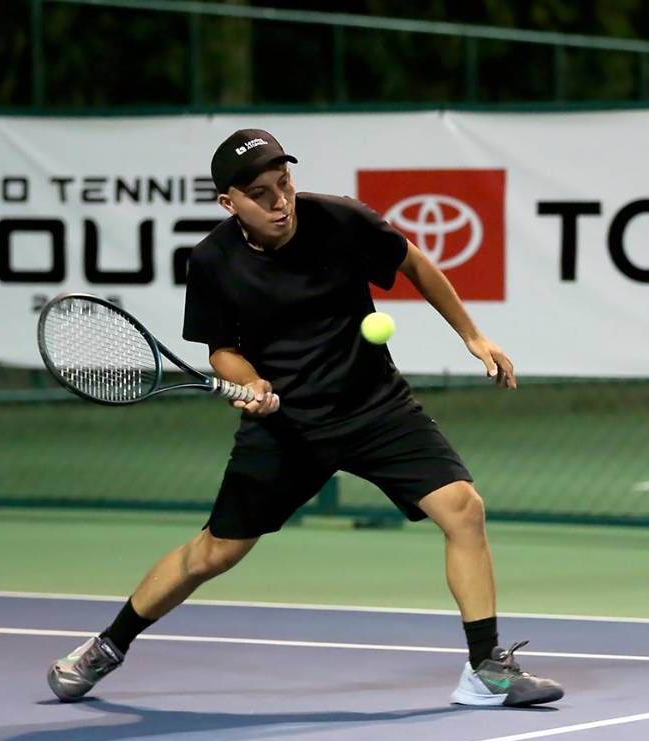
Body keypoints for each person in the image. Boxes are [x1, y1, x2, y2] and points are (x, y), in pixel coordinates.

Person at [47, 128, 563, 708]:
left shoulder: (340, 220)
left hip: (375, 407)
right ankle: (108, 645)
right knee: (214, 553)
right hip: (286, 427)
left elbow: (413, 262)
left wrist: (473, 336)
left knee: (463, 508)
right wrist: (250, 382)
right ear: (229, 203)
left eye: (284, 183)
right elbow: (221, 349)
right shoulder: (213, 260)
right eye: (260, 193)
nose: (280, 201)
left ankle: (486, 669)